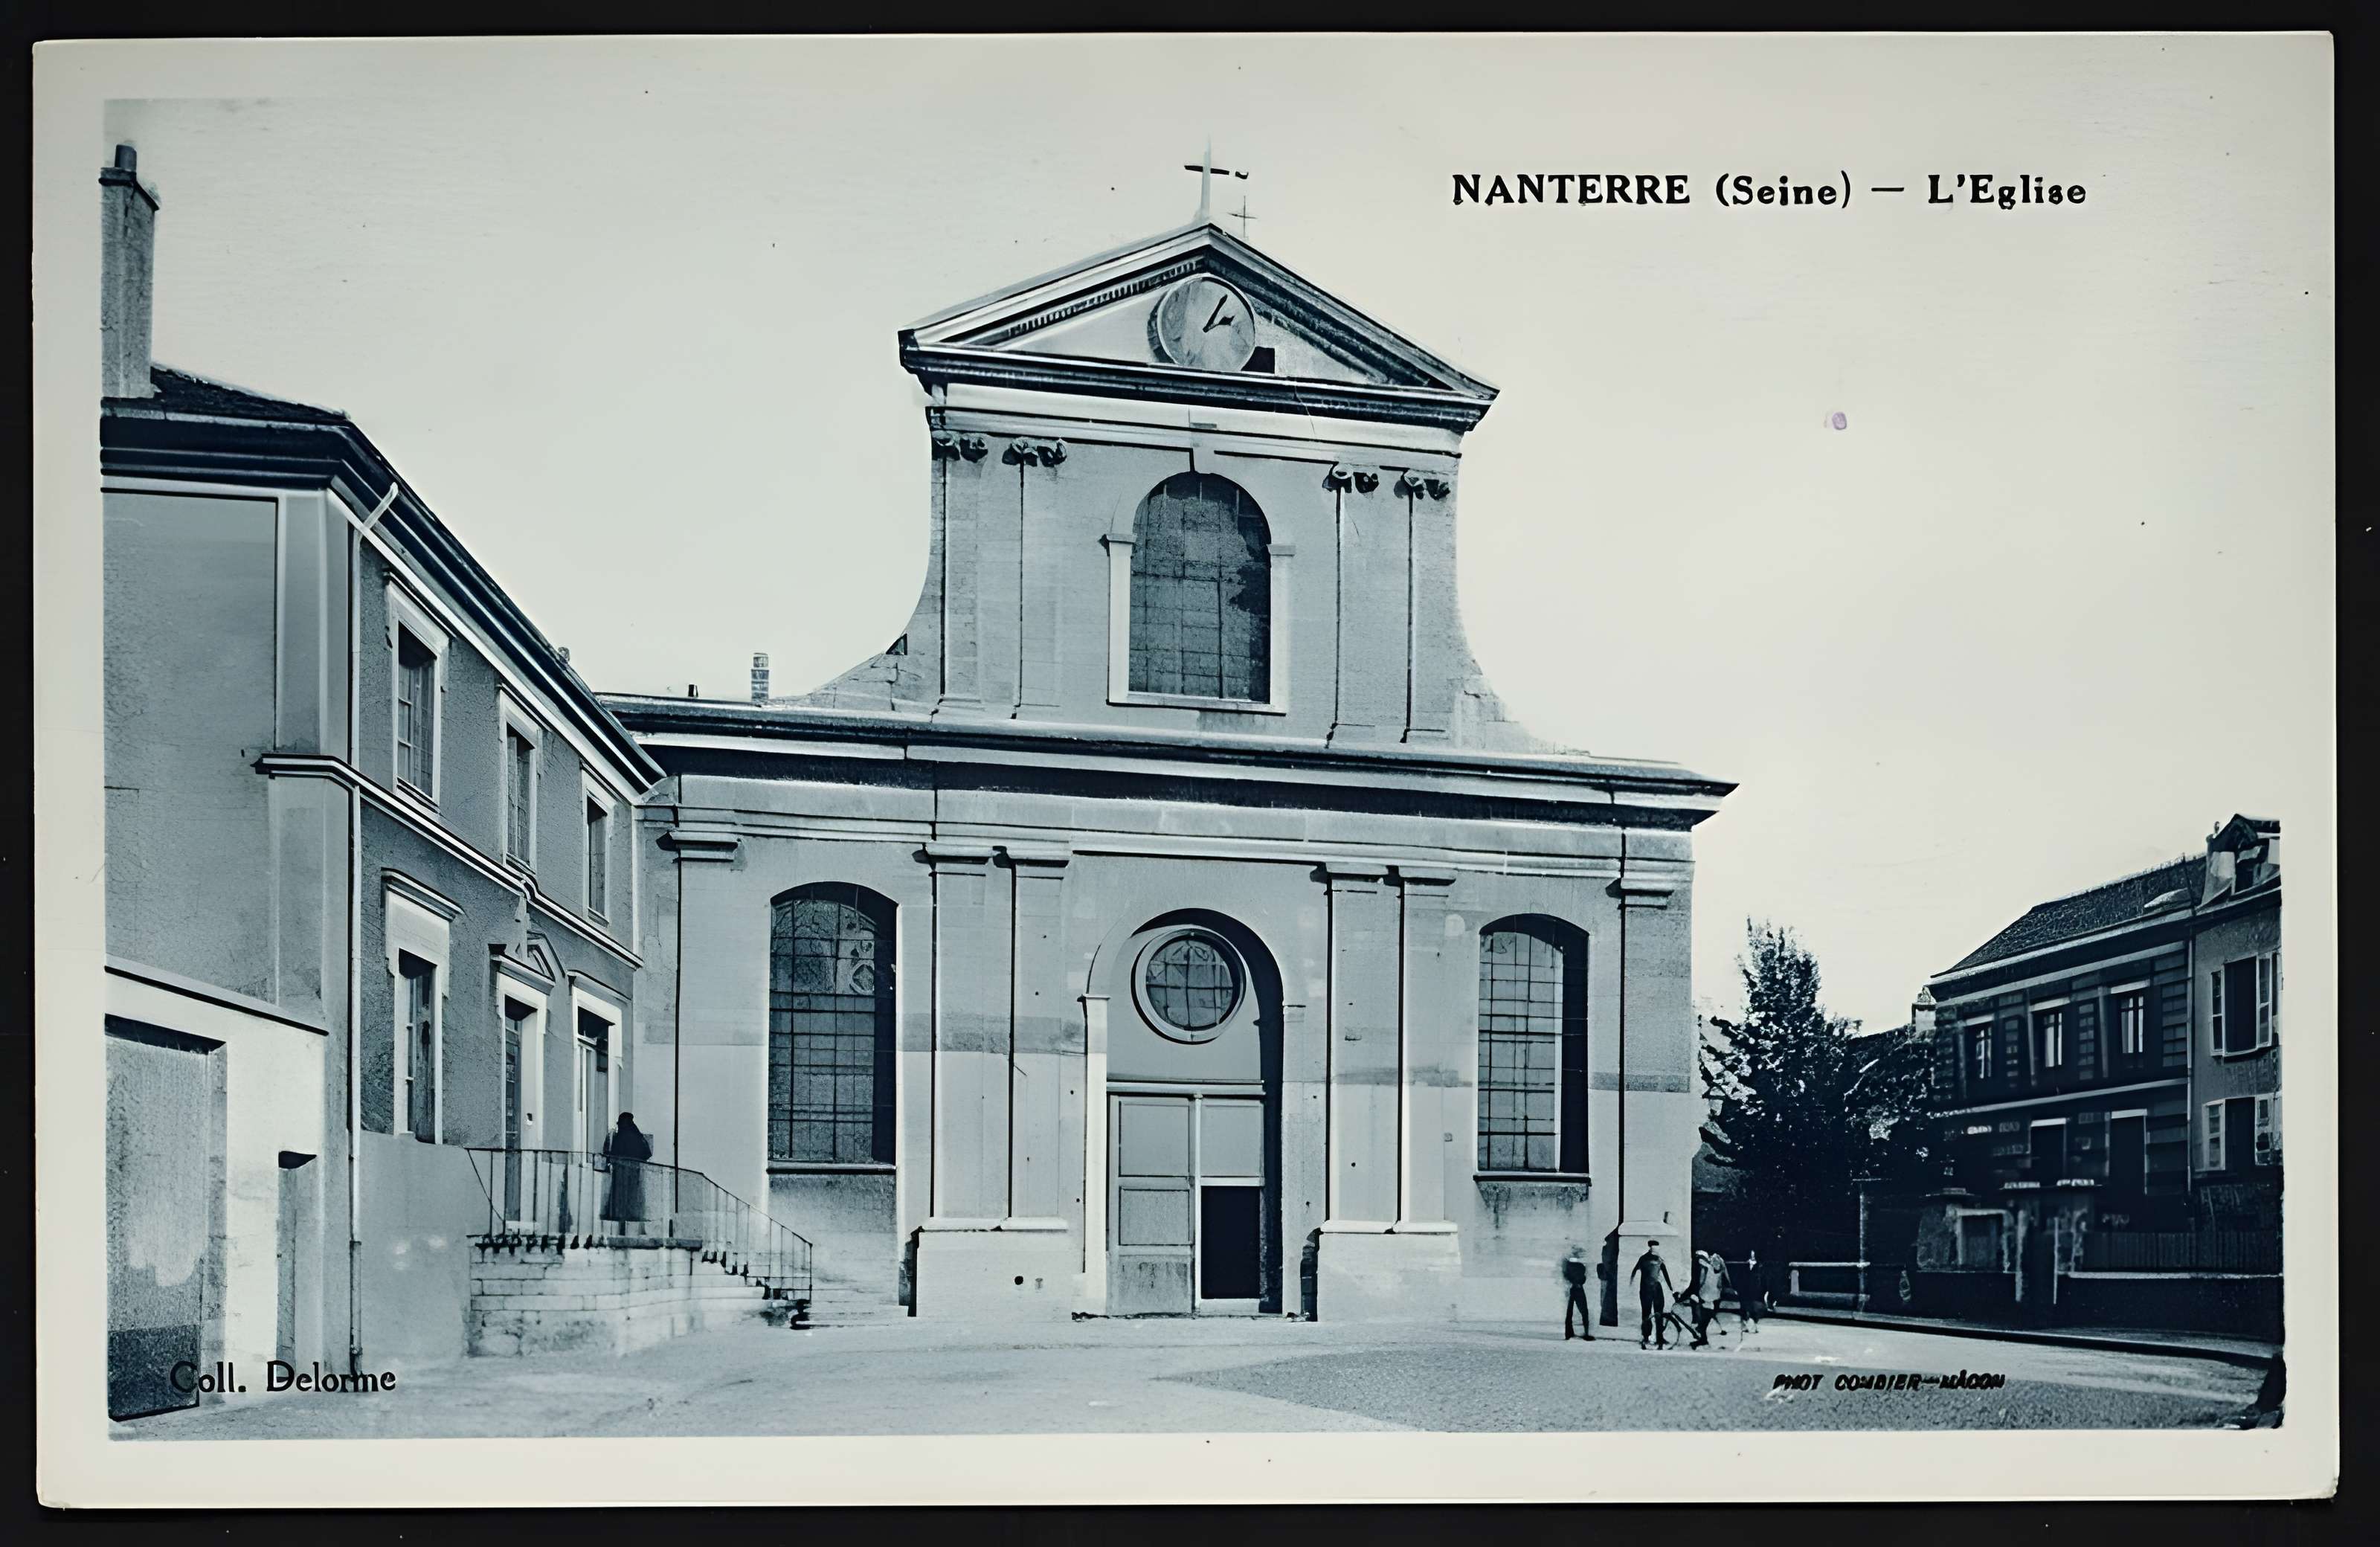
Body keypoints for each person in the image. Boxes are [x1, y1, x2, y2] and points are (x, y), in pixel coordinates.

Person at [599, 1112, 654, 1230]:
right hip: (633, 1176)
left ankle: (622, 1227)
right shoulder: (637, 1135)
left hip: (621, 1176)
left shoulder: (620, 1137)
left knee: (620, 1204)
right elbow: (647, 1153)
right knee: (631, 1203)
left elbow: (612, 1155)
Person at [1629, 1239, 1676, 1348]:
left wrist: (1671, 1289)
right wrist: (1631, 1283)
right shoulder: (1645, 1258)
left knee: (1658, 1314)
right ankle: (1646, 1337)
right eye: (1654, 1247)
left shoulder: (1658, 1259)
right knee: (1647, 1314)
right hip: (1647, 1290)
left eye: (1657, 1247)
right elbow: (1635, 1271)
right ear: (1650, 1247)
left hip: (1655, 1289)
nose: (1656, 1249)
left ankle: (1659, 1337)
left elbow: (1666, 1274)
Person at [1561, 1247, 1596, 1342]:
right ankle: (1586, 1333)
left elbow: (1567, 1275)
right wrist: (1578, 1283)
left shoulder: (1569, 1266)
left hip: (1572, 1288)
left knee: (1570, 1312)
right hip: (1578, 1289)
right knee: (1583, 1311)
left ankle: (1569, 1333)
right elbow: (1583, 1278)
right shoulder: (1581, 1267)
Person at [1737, 1249, 1767, 1335]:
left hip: (1756, 1291)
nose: (1752, 1256)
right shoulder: (1745, 1265)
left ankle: (1753, 1326)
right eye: (1751, 1254)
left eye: (1754, 1254)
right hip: (1746, 1290)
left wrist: (1765, 1291)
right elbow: (1741, 1278)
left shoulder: (1760, 1266)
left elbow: (1763, 1280)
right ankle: (1747, 1326)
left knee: (1755, 1309)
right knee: (1745, 1308)